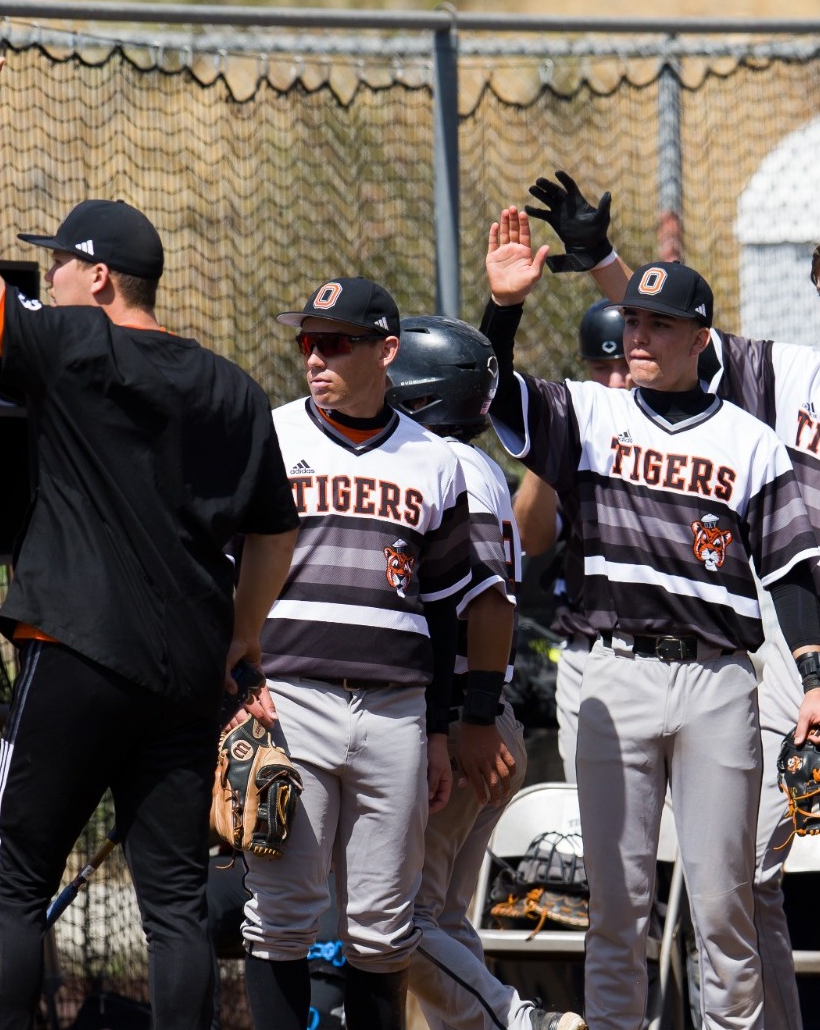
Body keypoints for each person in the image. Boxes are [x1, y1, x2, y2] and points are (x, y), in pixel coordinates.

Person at [0, 56, 302, 1030]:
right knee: (172, 898)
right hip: (184, 672)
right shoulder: (232, 388)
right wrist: (240, 643)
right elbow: (271, 539)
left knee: (13, 877)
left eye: (57, 263)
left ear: (98, 275)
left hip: (78, 649)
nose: (47, 277)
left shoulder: (76, 344)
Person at [528, 175, 820, 1020]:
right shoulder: (793, 376)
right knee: (742, 875)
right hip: (790, 646)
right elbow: (669, 333)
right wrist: (601, 256)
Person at [481, 208, 820, 1030]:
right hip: (610, 673)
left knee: (723, 908)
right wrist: (503, 308)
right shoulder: (586, 414)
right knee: (615, 907)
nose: (637, 335)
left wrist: (814, 678)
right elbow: (488, 391)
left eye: (658, 323)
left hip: (715, 681)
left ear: (699, 338)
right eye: (631, 318)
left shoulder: (750, 442)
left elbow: (789, 571)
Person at [245, 279, 514, 1030]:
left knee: (382, 927)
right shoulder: (270, 436)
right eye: (307, 340)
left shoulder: (435, 460)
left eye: (334, 342)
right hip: (290, 697)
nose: (314, 356)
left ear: (386, 352)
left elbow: (445, 606)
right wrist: (236, 682)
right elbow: (217, 569)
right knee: (282, 915)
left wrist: (440, 727)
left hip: (395, 710)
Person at [387, 315, 585, 1030]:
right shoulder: (472, 466)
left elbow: (488, 606)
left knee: (392, 920)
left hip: (457, 720)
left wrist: (466, 720)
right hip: (472, 712)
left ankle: (518, 1019)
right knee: (439, 918)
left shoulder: (448, 467)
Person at [512, 300, 630, 781]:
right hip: (590, 649)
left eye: (625, 365)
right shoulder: (579, 431)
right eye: (603, 368)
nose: (617, 381)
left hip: (681, 654)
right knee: (597, 819)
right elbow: (529, 539)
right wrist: (550, 447)